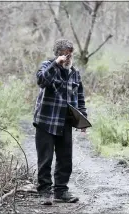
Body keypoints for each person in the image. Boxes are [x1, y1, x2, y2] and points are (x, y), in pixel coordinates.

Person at [33, 39, 87, 205]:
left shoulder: (74, 72)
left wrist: (82, 120)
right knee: (45, 159)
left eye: (70, 53)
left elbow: (79, 97)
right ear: (57, 54)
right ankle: (44, 192)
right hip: (46, 121)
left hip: (65, 122)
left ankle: (61, 191)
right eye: (65, 53)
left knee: (65, 159)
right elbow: (42, 80)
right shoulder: (47, 66)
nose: (68, 57)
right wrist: (56, 64)